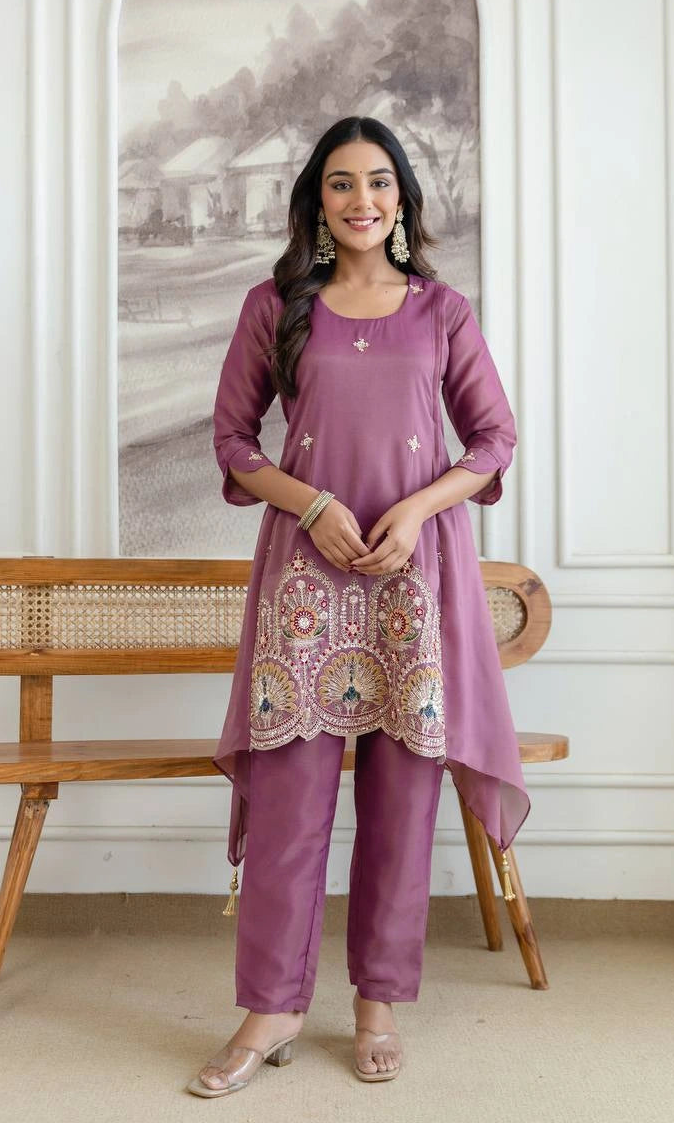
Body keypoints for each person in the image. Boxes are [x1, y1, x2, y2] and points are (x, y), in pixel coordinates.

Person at [188, 116, 530, 1097]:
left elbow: (494, 438)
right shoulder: (276, 306)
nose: (362, 200)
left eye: (379, 182)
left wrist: (417, 510)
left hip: (411, 582)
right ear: (317, 202)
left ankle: (378, 1000)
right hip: (308, 576)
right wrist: (319, 505)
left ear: (403, 198)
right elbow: (234, 441)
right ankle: (271, 1006)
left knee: (400, 801)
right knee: (292, 800)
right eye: (341, 184)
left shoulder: (441, 312)